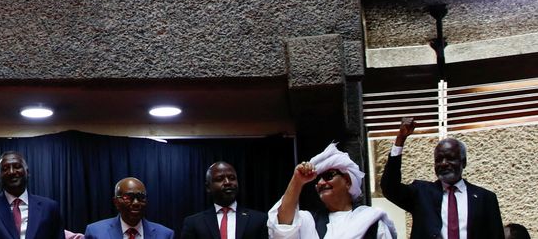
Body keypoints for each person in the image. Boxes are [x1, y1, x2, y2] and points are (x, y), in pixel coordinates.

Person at [380, 118, 504, 239]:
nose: (443, 163)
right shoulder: (421, 194)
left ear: (463, 162)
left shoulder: (485, 198)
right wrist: (400, 140)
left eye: (450, 158)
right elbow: (390, 188)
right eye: (438, 160)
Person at [268, 142, 397, 239]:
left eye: (328, 176)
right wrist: (297, 181)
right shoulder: (309, 221)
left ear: (347, 181)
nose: (321, 183)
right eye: (318, 179)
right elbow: (282, 227)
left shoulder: (371, 222)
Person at [179, 162, 266, 239]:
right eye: (219, 179)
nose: (227, 182)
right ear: (208, 187)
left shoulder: (259, 220)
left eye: (232, 178)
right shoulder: (194, 223)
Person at [84, 177, 174, 239]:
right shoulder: (95, 232)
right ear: (116, 202)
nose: (136, 203)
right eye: (129, 197)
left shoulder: (165, 234)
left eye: (141, 197)